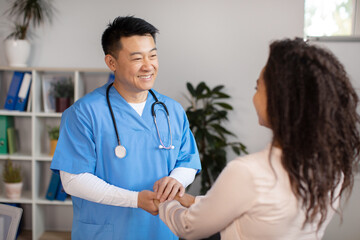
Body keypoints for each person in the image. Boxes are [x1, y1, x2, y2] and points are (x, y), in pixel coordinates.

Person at [155, 38, 360, 240]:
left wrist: (165, 202)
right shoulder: (333, 169)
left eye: (257, 87)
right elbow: (256, 208)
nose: (254, 96)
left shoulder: (248, 172)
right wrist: (192, 201)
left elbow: (188, 227)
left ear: (280, 100)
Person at [50, 16, 201, 240]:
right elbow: (73, 179)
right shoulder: (84, 113)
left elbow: (187, 161)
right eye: (137, 58)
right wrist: (134, 199)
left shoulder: (171, 110)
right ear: (111, 63)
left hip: (160, 230)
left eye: (153, 55)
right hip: (106, 231)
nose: (148, 65)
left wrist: (176, 180)